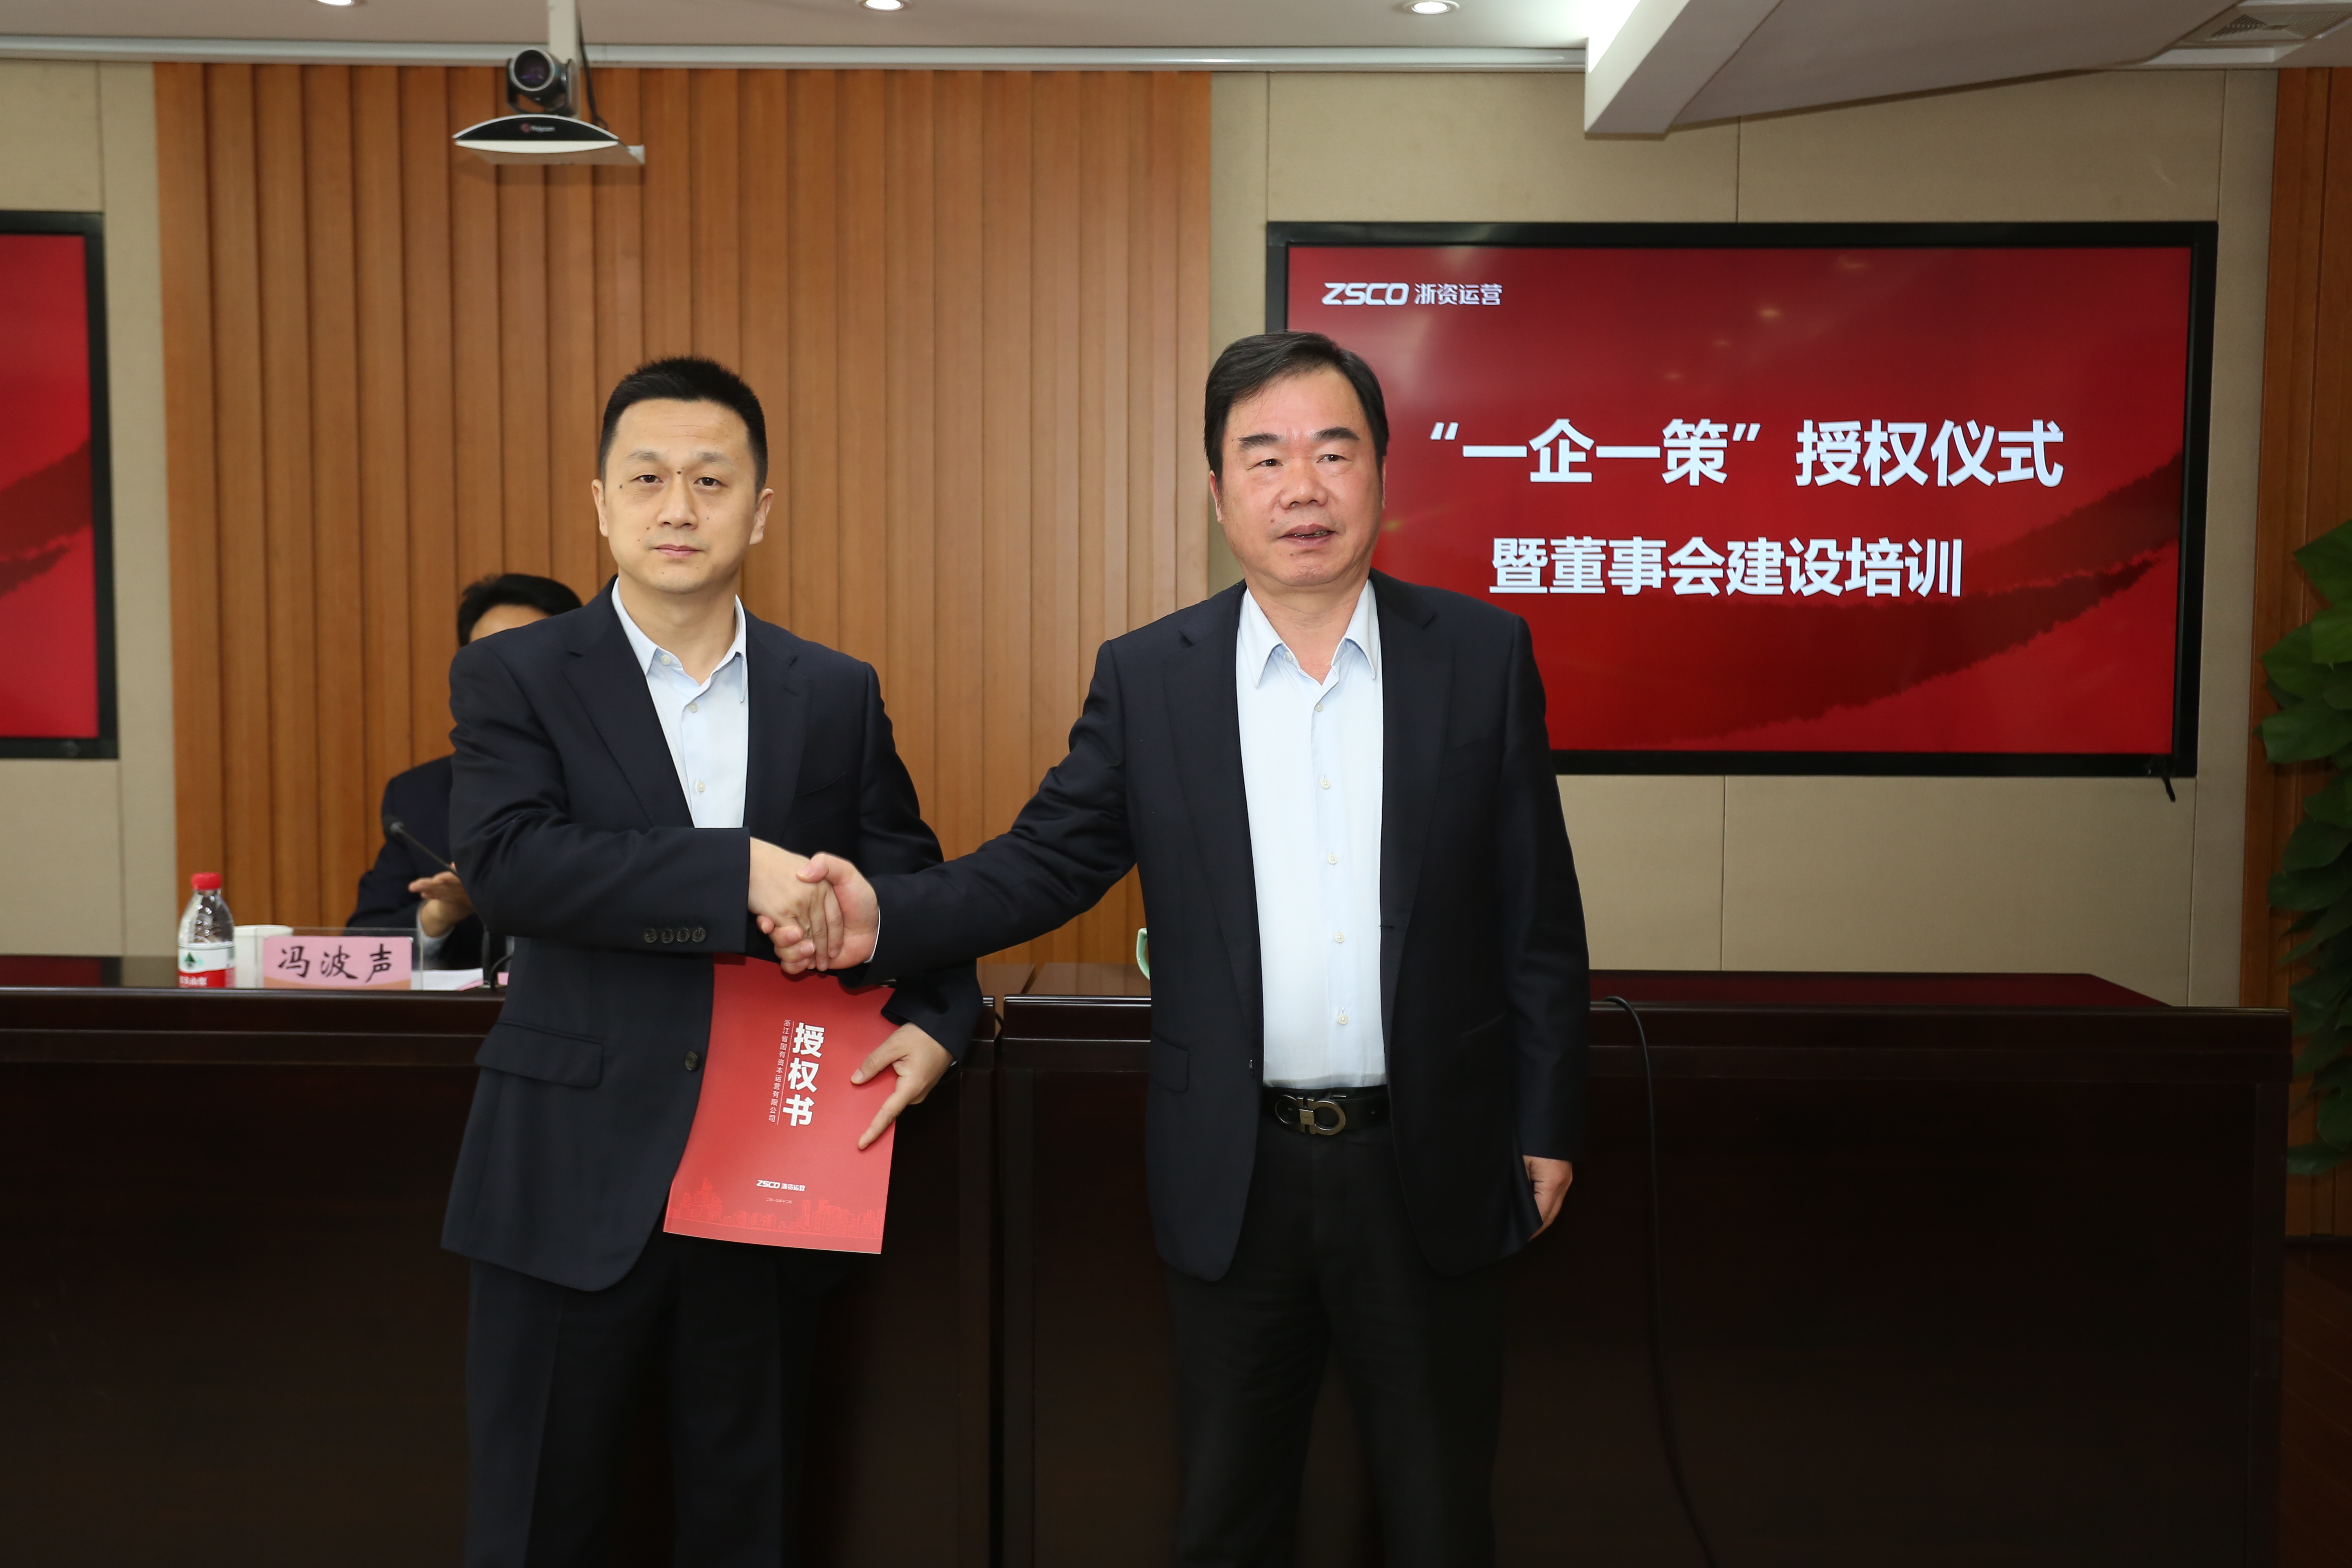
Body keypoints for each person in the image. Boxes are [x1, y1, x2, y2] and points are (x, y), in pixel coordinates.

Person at [773, 332, 1589, 1566]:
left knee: (1438, 1514)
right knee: (1226, 1513)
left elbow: (1537, 910)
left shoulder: (1479, 656)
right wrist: (882, 914)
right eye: (1263, 457)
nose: (1301, 486)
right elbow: (1044, 861)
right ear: (1218, 494)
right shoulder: (1154, 676)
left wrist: (1548, 1119)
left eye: (1332, 452)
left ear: (1380, 473)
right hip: (1236, 1169)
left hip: (1436, 1154)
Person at [442, 356, 979, 1567]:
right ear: (600, 502)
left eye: (710, 478)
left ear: (760, 508)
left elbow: (907, 884)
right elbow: (513, 864)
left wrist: (942, 1014)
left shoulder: (831, 690)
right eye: (646, 478)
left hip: (768, 1178)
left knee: (750, 1519)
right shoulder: (515, 672)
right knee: (539, 1524)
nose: (677, 505)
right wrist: (733, 869)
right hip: (568, 1174)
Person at [346, 573, 584, 968]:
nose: (510, 678)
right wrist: (442, 913)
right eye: (492, 661)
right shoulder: (419, 796)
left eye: (529, 657)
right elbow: (362, 949)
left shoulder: (625, 779)